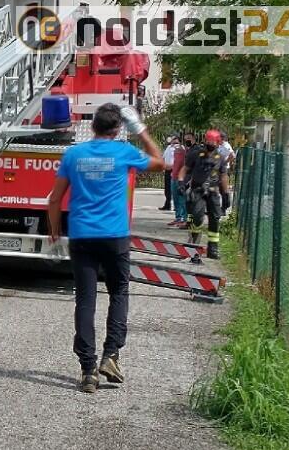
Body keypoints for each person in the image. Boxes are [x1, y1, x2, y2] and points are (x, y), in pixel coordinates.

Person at [47, 103, 166, 393]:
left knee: (85, 300)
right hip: (115, 236)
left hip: (82, 236)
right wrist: (141, 129)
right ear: (118, 129)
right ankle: (111, 355)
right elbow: (161, 162)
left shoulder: (74, 154)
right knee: (118, 293)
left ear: (94, 127)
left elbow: (54, 198)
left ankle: (88, 370)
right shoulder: (124, 152)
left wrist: (54, 231)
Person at [179, 129, 229, 260]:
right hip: (198, 190)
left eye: (213, 141)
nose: (210, 143)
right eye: (208, 140)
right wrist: (181, 182)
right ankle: (193, 246)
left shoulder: (220, 158)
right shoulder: (195, 154)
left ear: (218, 143)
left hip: (213, 192)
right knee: (197, 217)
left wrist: (226, 193)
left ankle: (213, 250)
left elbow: (223, 175)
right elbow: (185, 169)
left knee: (215, 219)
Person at [170, 133, 193, 228]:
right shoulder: (175, 151)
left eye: (176, 142)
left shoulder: (185, 151)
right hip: (173, 177)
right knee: (175, 199)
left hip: (182, 179)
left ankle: (184, 218)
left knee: (182, 200)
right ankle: (178, 217)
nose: (175, 144)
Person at [216, 131, 236, 215]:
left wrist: (225, 162)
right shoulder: (220, 145)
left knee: (223, 189)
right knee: (219, 189)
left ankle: (224, 208)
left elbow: (233, 155)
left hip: (224, 170)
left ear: (222, 138)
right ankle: (219, 208)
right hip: (218, 169)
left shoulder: (226, 146)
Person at [160, 137, 177, 211]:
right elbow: (163, 158)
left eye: (174, 139)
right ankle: (167, 204)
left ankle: (176, 206)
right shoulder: (168, 147)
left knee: (174, 188)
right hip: (167, 170)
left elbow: (179, 160)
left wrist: (172, 166)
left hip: (174, 170)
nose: (172, 140)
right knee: (167, 188)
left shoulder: (179, 148)